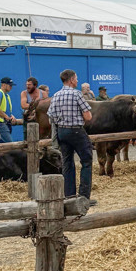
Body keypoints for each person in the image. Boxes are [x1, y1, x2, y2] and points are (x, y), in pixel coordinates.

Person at [47, 69, 93, 199]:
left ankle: (69, 196)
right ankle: (84, 196)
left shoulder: (56, 95)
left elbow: (51, 116)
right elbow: (88, 116)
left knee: (67, 163)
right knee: (87, 161)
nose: (77, 81)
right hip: (76, 130)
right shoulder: (77, 94)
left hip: (62, 131)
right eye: (76, 78)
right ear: (72, 79)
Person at [0, 77, 19, 143]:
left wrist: (11, 116)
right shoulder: (0, 94)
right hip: (0, 123)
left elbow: (5, 110)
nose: (11, 87)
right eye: (10, 85)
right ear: (3, 85)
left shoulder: (6, 96)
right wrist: (6, 117)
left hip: (5, 123)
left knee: (4, 145)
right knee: (10, 144)